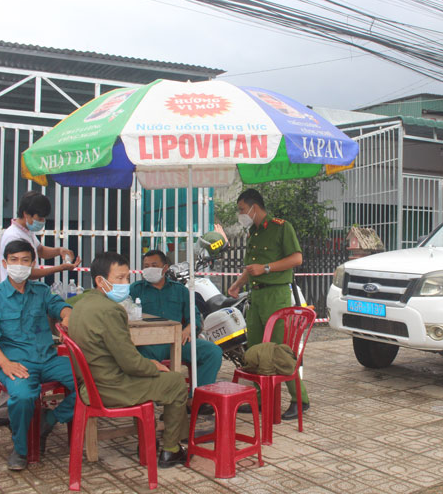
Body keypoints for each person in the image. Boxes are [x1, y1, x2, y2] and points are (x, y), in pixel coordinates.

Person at [68, 251, 189, 468]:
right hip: (110, 388)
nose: (125, 283)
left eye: (126, 278)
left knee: (158, 373)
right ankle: (171, 449)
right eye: (119, 278)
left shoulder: (80, 306)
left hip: (90, 385)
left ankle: (148, 441)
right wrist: (153, 368)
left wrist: (147, 365)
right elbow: (130, 363)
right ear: (100, 281)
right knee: (176, 382)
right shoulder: (110, 310)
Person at [0, 240, 76, 471]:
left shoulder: (41, 291)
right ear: (4, 263)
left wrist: (67, 315)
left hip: (48, 359)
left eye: (24, 261)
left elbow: (60, 306)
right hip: (15, 363)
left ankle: (48, 421)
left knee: (92, 379)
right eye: (14, 260)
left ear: (33, 264)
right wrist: (5, 364)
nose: (19, 265)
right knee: (22, 397)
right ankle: (20, 449)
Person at [227, 188, 309, 420]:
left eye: (242, 209)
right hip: (257, 295)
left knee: (281, 349)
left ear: (255, 207)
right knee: (254, 348)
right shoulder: (253, 232)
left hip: (276, 295)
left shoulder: (282, 227)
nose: (240, 214)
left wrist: (267, 268)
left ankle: (300, 400)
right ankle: (260, 399)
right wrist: (237, 284)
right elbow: (252, 267)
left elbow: (296, 258)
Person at [129, 249, 223, 414]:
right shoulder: (136, 289)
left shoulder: (180, 290)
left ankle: (197, 400)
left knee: (212, 351)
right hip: (149, 344)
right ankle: (149, 408)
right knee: (139, 362)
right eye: (146, 266)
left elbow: (193, 316)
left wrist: (188, 329)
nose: (149, 269)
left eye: (154, 265)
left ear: (165, 268)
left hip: (179, 340)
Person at [0, 191, 80, 283]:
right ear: (26, 214)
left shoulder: (27, 231)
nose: (42, 222)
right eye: (40, 218)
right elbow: (26, 272)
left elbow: (40, 250)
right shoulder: (14, 236)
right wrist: (60, 268)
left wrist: (59, 250)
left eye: (44, 218)